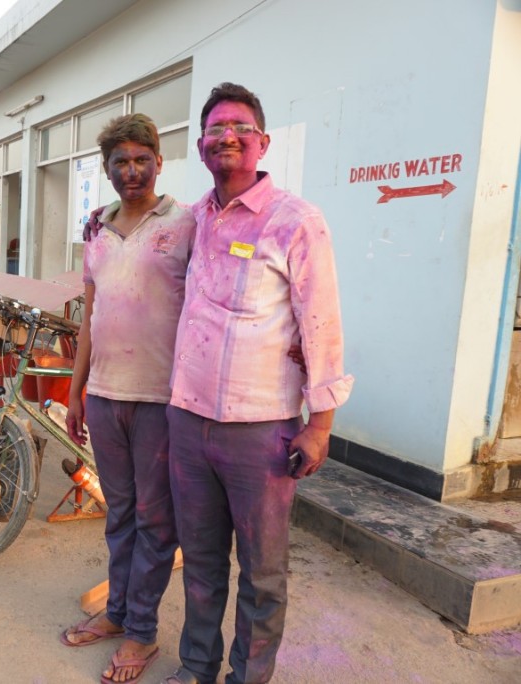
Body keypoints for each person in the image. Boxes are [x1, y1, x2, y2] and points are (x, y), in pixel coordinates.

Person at [163, 83, 353, 684]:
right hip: (189, 422)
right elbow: (144, 244)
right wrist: (104, 219)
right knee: (200, 564)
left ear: (262, 142)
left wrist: (320, 424)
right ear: (200, 147)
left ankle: (250, 677)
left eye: (240, 127)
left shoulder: (295, 222)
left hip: (262, 431)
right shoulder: (192, 220)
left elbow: (320, 322)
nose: (227, 137)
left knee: (264, 572)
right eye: (216, 128)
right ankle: (197, 669)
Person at [60, 114, 194, 684]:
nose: (132, 170)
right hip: (106, 395)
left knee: (154, 520)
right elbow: (92, 314)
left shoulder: (187, 223)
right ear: (106, 169)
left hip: (162, 399)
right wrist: (75, 392)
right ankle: (116, 614)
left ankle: (143, 631)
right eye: (120, 161)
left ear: (159, 163)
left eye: (142, 159)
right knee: (119, 514)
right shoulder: (96, 229)